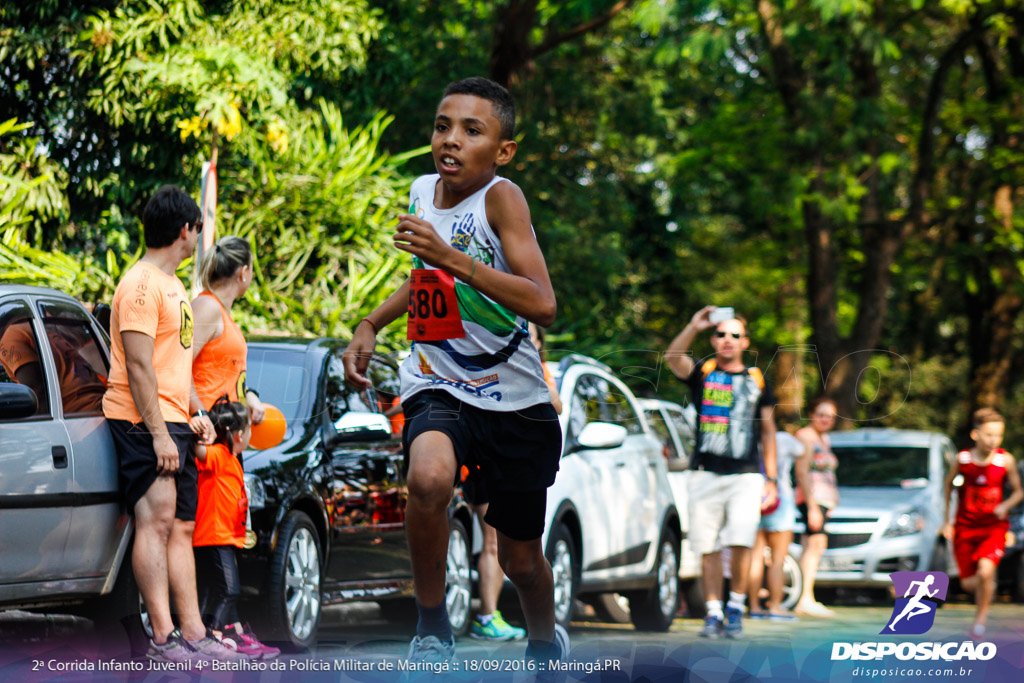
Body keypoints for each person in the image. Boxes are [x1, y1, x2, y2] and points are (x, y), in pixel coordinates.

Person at [342, 77, 567, 668]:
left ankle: (544, 639)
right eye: (444, 125)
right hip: (437, 379)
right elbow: (425, 281)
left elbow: (542, 302)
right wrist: (371, 323)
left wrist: (453, 259)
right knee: (428, 479)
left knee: (521, 560)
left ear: (503, 150)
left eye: (473, 130)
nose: (452, 140)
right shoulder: (421, 190)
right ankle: (432, 626)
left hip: (514, 398)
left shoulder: (502, 198)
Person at [101, 185, 240, 662]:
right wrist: (160, 432)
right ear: (186, 229)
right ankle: (163, 637)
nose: (199, 239)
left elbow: (176, 363)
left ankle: (194, 633)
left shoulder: (176, 286)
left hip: (176, 420)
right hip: (143, 421)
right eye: (198, 230)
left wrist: (195, 414)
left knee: (181, 527)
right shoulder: (140, 285)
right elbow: (139, 366)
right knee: (155, 523)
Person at [665, 306, 777, 639]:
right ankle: (713, 612)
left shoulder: (757, 378)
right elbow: (673, 357)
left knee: (741, 541)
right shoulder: (704, 372)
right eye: (721, 334)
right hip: (705, 473)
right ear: (714, 339)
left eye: (734, 335)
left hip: (745, 475)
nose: (727, 340)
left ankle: (736, 606)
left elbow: (768, 430)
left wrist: (770, 478)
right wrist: (693, 324)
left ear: (745, 342)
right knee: (707, 544)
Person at [192, 399, 279, 659]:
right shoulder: (218, 455)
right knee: (229, 590)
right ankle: (213, 635)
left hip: (225, 537)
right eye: (250, 429)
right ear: (239, 434)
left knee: (212, 589)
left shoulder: (230, 458)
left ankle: (214, 633)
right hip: (214, 536)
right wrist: (197, 432)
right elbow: (199, 453)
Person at [942, 408, 1023, 639]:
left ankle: (980, 621)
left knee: (986, 570)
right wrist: (946, 520)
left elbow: (1018, 492)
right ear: (975, 435)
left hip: (993, 527)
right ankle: (988, 587)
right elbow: (948, 487)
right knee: (969, 584)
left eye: (998, 435)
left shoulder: (1004, 460)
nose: (993, 440)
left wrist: (1004, 506)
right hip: (965, 527)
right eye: (988, 435)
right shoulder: (963, 459)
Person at [191, 235, 265, 424]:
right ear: (244, 272)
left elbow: (225, 376)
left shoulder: (220, 312)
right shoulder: (207, 307)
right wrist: (199, 414)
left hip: (224, 430)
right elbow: (177, 366)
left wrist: (248, 396)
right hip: (206, 430)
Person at [748, 425, 810, 621]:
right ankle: (775, 606)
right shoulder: (783, 439)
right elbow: (804, 450)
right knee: (777, 559)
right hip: (780, 499)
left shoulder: (748, 437)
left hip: (752, 498)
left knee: (755, 558)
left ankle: (754, 607)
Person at [792, 397, 839, 618]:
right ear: (812, 414)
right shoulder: (805, 436)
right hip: (811, 498)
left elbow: (827, 472)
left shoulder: (825, 439)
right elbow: (802, 471)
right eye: (822, 414)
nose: (826, 419)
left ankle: (806, 595)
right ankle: (804, 598)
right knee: (813, 544)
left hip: (824, 499)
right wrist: (811, 506)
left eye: (830, 416)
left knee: (816, 544)